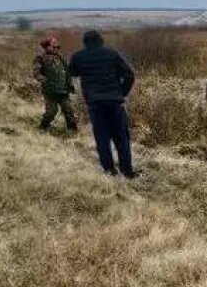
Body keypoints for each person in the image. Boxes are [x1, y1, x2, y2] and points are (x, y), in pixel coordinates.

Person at [68, 30, 137, 178]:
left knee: (102, 139)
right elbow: (129, 74)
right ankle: (127, 171)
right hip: (115, 102)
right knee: (122, 138)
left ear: (85, 42)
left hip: (95, 103)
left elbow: (72, 73)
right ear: (101, 40)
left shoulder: (79, 57)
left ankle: (109, 171)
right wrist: (122, 92)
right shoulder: (112, 54)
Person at [33, 36, 78, 132]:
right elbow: (36, 73)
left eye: (58, 47)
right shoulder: (40, 57)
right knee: (51, 112)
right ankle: (42, 128)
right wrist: (45, 81)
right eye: (54, 47)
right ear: (47, 47)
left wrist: (70, 85)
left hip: (63, 90)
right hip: (50, 91)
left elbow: (67, 72)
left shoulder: (60, 57)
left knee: (68, 111)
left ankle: (73, 131)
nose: (56, 49)